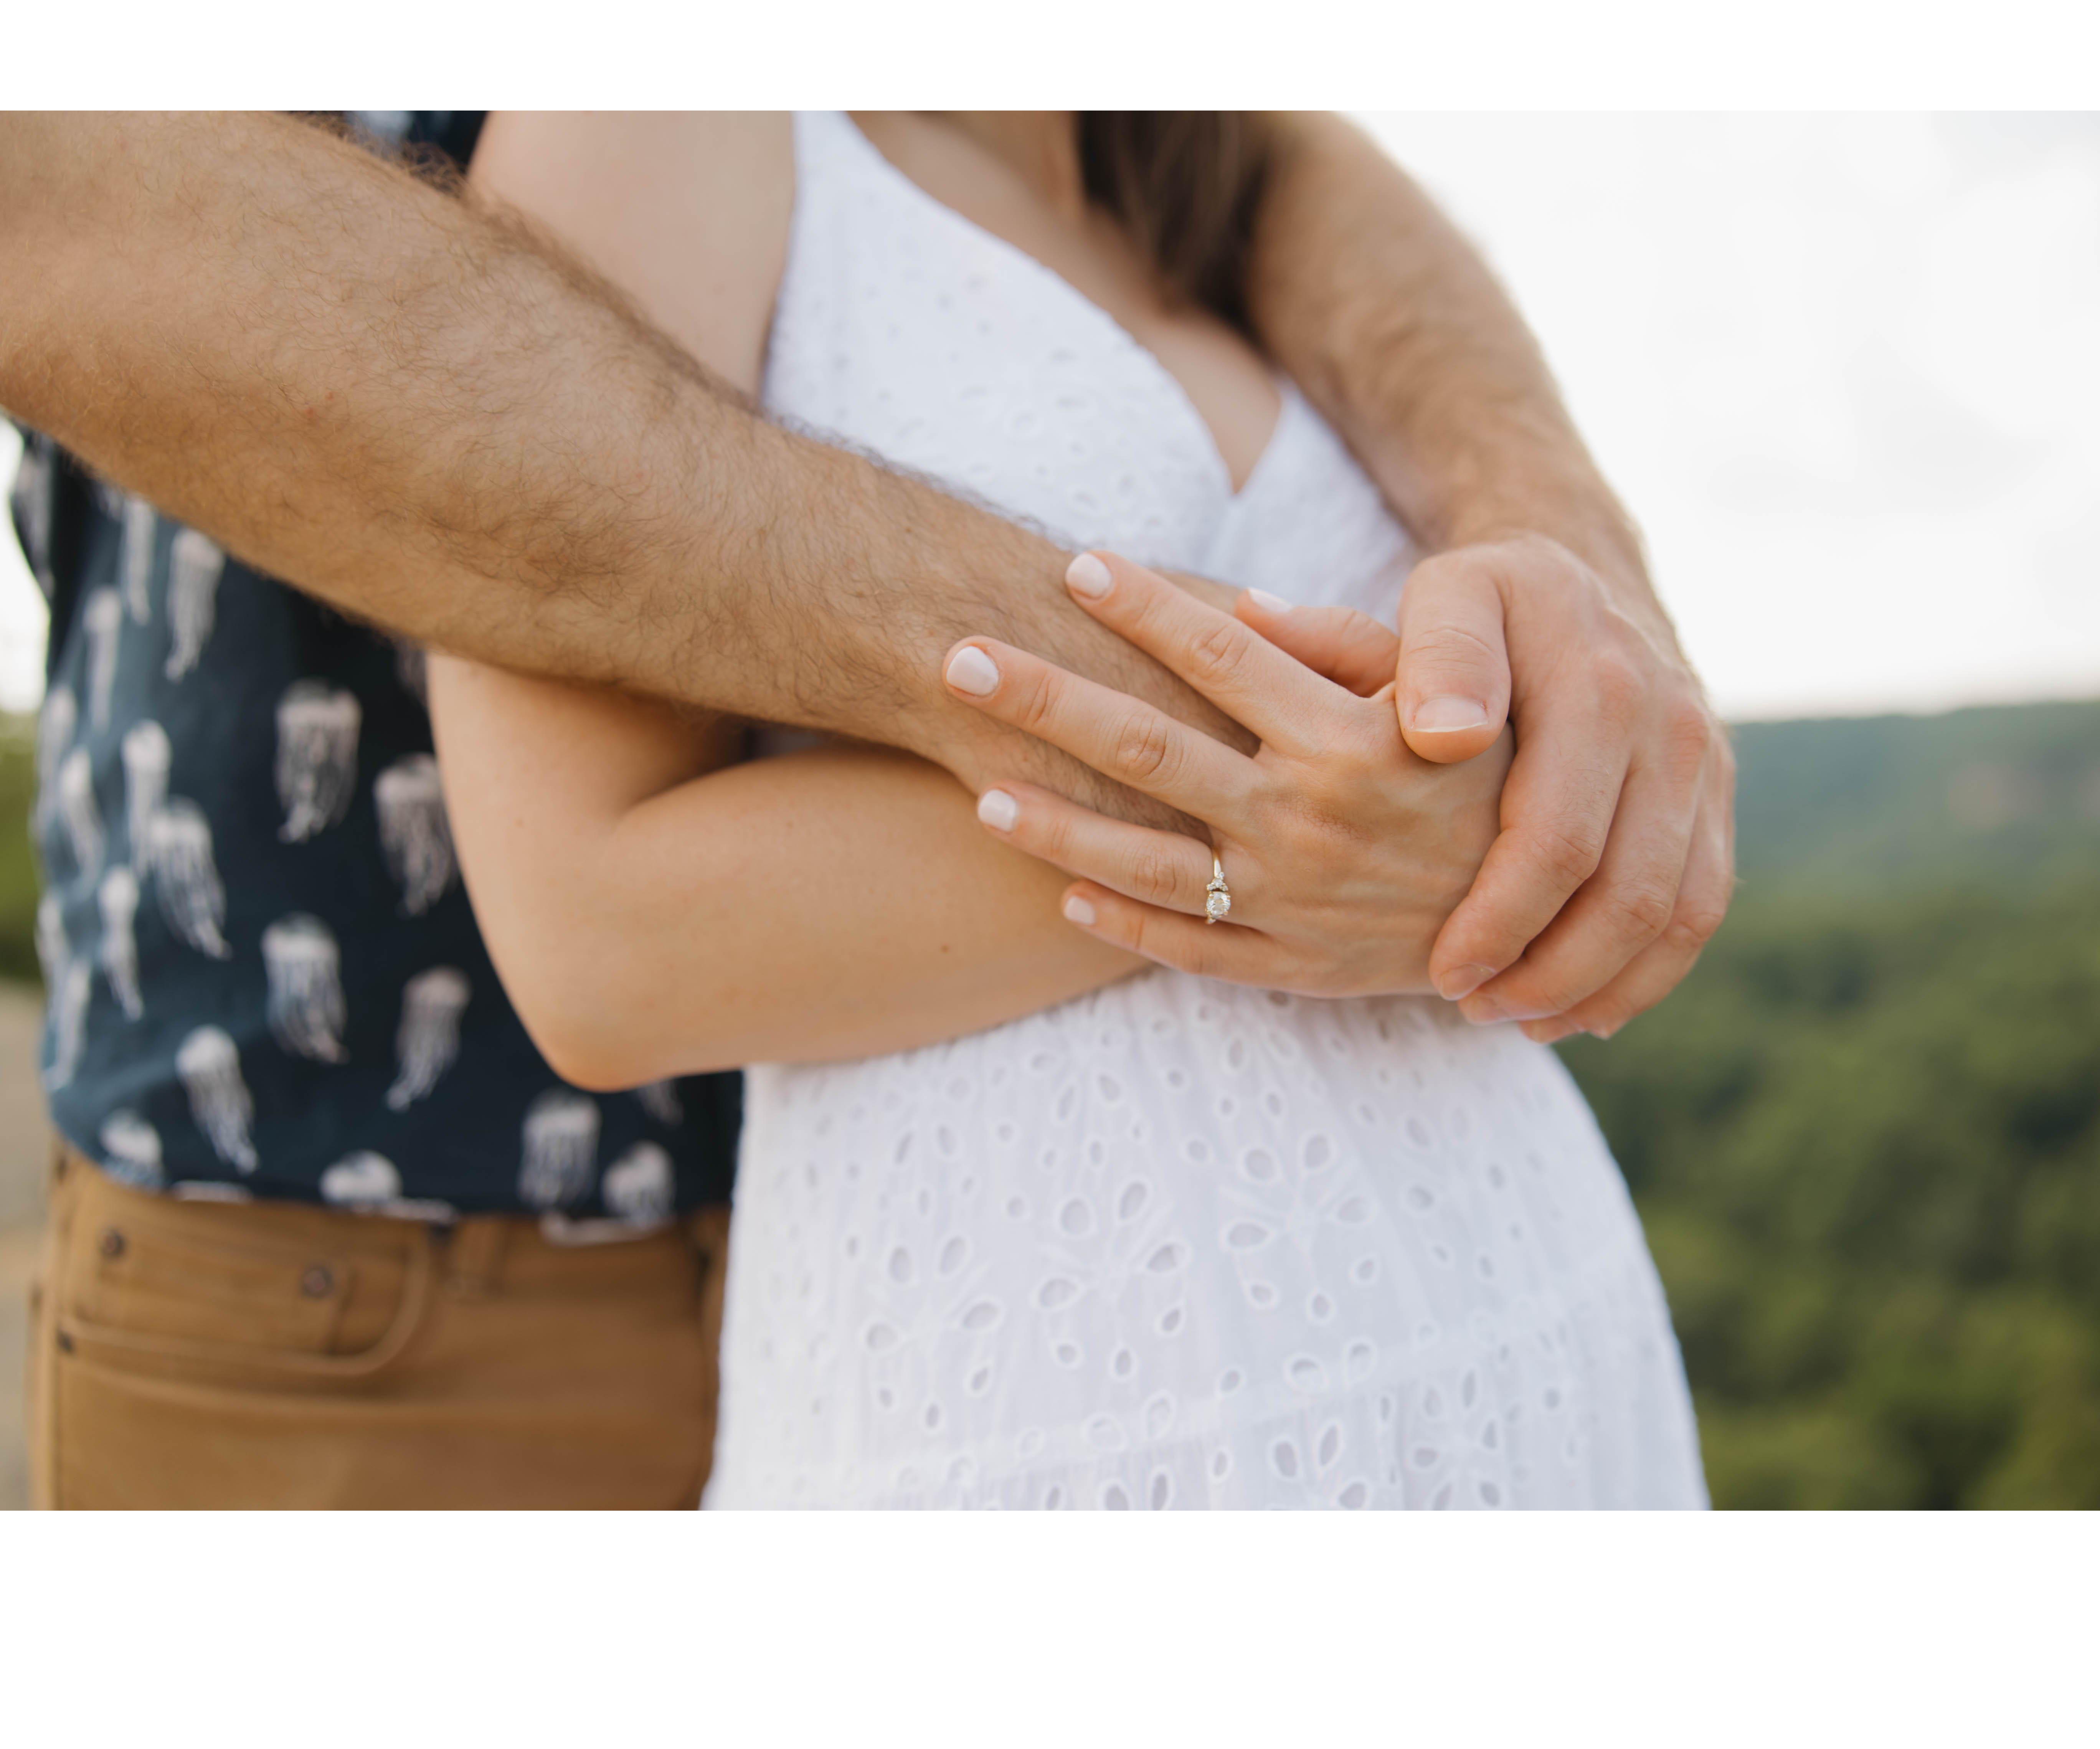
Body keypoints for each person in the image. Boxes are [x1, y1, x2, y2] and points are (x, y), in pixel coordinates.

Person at [2, 111, 1729, 1508]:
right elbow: (47, 204)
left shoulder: (1198, 167)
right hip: (359, 1252)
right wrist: (1314, 814)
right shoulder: (664, 120)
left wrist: (1558, 603)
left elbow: (1289, 165)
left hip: (1509, 1343)